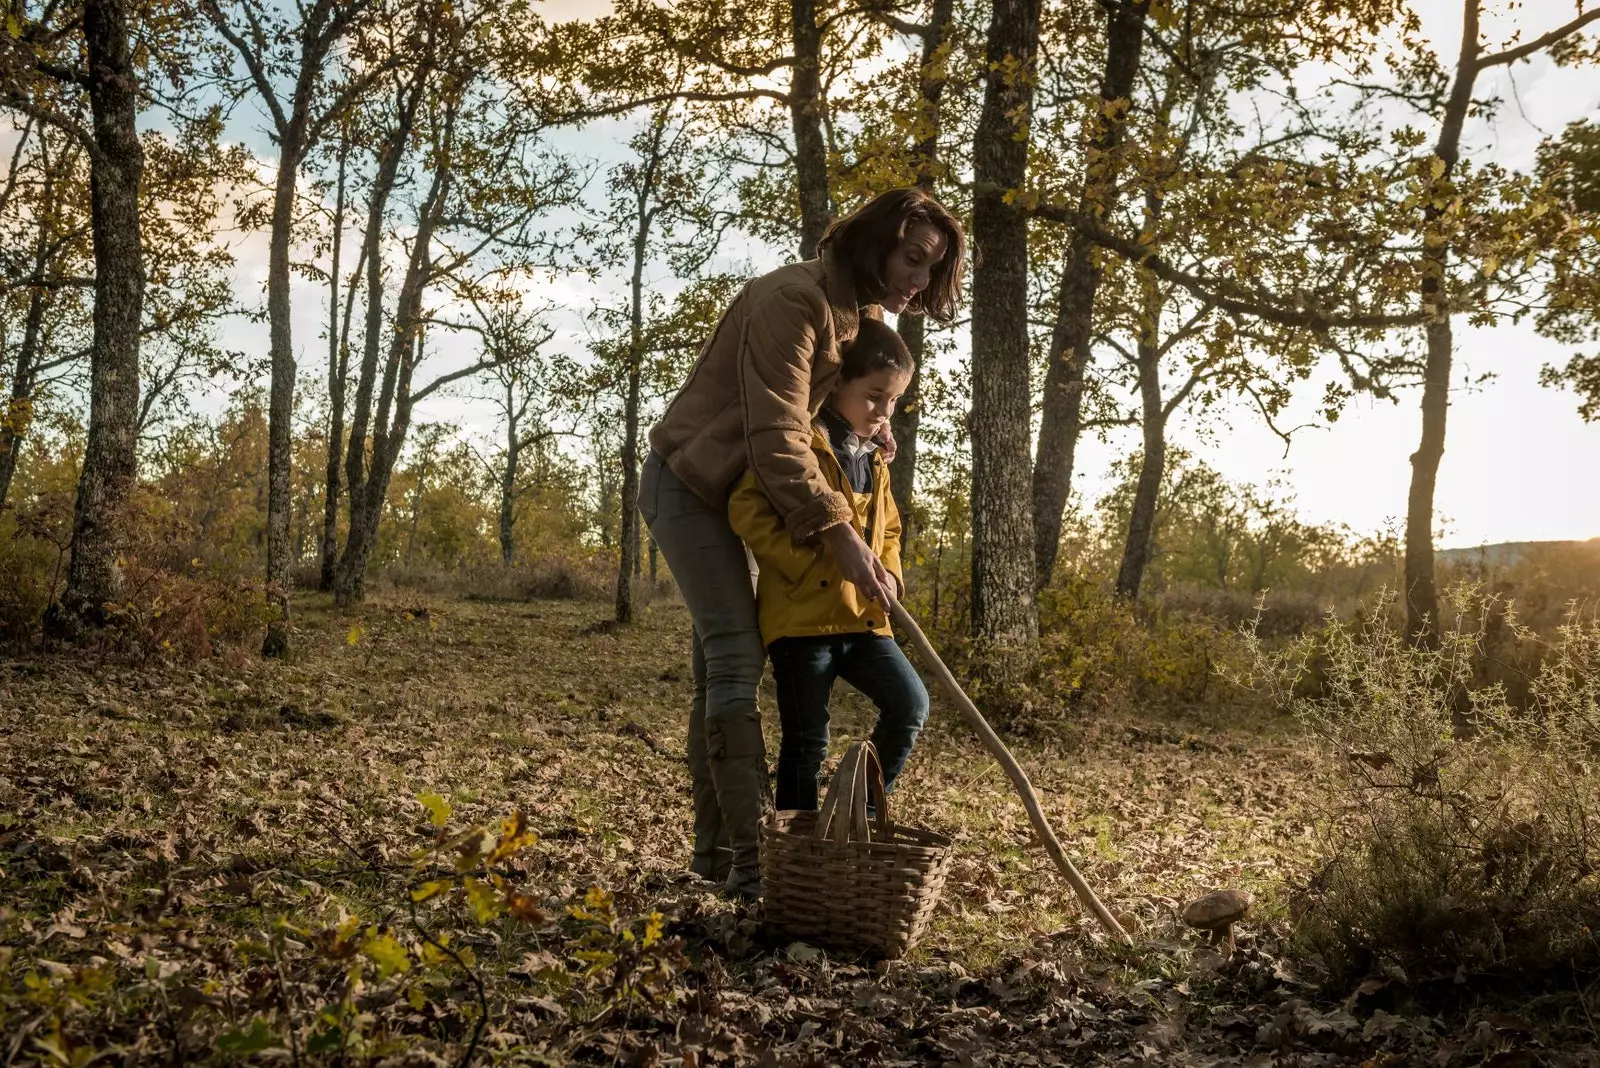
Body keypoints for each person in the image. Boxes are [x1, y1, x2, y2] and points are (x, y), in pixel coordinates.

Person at [639, 188, 965, 899]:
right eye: (912, 258)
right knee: (734, 654)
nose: (919, 278)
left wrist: (867, 429)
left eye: (931, 268)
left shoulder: (866, 316)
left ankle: (715, 857)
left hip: (757, 498)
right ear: (875, 241)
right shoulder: (794, 300)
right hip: (693, 484)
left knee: (713, 675)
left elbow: (828, 413)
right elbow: (778, 438)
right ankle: (756, 865)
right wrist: (839, 533)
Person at [727, 319, 928, 813]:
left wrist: (891, 574)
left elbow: (890, 530)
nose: (884, 412)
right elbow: (746, 509)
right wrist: (804, 564)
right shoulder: (800, 446)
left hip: (863, 620)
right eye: (874, 396)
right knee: (807, 742)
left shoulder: (875, 459)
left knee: (910, 705)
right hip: (802, 622)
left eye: (893, 401)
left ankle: (852, 818)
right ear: (837, 384)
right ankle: (797, 856)